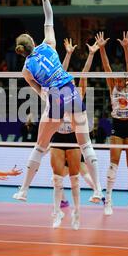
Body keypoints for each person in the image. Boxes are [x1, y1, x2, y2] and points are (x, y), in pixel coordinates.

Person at [12, 0, 103, 204]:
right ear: (33, 40)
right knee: (85, 143)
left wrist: (43, 94)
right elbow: (49, 15)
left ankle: (23, 190)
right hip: (69, 90)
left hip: (53, 95)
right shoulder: (49, 45)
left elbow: (34, 85)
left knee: (40, 145)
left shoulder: (25, 68)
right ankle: (98, 191)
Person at [49, 37, 99, 229]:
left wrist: (91, 55)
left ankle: (77, 212)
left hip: (72, 137)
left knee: (75, 178)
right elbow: (59, 72)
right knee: (56, 178)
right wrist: (68, 54)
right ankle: (57, 212)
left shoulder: (77, 93)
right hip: (58, 136)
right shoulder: (55, 92)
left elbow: (84, 75)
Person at [96, 31, 128, 218]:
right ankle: (109, 200)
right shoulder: (112, 86)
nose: (119, 81)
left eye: (122, 78)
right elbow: (106, 67)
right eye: (118, 79)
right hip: (117, 125)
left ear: (127, 79)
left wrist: (126, 47)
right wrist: (102, 48)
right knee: (113, 164)